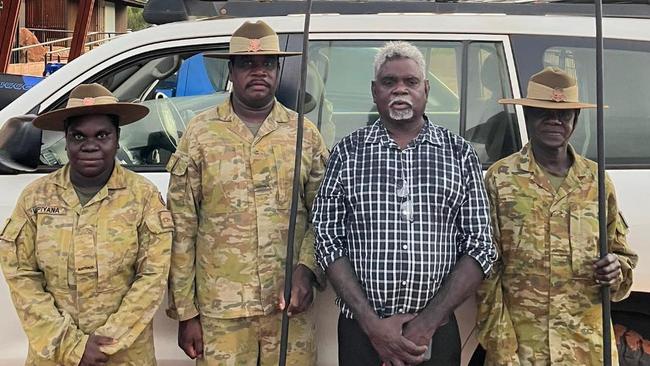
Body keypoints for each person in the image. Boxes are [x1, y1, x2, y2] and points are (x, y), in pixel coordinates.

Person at [313, 41, 497, 366]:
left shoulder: (458, 154)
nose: (400, 90)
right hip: (361, 331)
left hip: (436, 332)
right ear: (374, 91)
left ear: (425, 88)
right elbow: (327, 240)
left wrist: (426, 323)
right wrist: (373, 325)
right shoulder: (347, 153)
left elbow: (480, 246)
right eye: (389, 82)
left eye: (410, 82)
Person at [165, 20, 328, 365]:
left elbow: (325, 216)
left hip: (288, 311)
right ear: (232, 70)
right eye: (247, 63)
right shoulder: (200, 133)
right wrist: (185, 312)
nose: (258, 72)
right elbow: (181, 227)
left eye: (267, 63)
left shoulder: (304, 134)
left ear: (278, 69)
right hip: (221, 312)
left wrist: (307, 269)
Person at [0, 83, 173, 365]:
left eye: (102, 135)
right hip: (55, 355)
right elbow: (21, 276)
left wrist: (105, 343)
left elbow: (152, 277)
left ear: (117, 139)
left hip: (123, 355)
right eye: (78, 136)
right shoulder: (35, 198)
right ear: (66, 141)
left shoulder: (143, 197)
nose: (90, 145)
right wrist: (72, 346)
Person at [477, 67, 638, 365]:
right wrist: (501, 345)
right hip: (523, 349)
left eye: (564, 115)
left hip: (586, 348)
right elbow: (487, 272)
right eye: (543, 113)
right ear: (528, 117)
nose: (554, 121)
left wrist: (616, 271)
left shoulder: (596, 182)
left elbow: (622, 258)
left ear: (575, 121)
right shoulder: (500, 180)